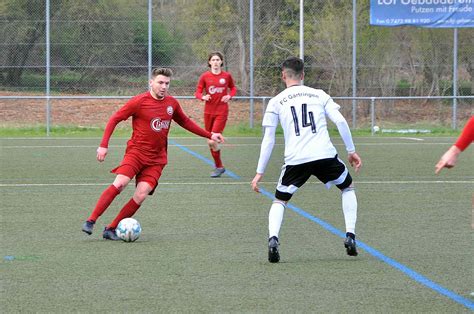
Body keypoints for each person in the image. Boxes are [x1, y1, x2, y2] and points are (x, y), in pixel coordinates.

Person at [82, 68, 225, 240]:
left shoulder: (172, 104)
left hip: (157, 159)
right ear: (151, 82)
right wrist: (103, 145)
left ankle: (111, 228)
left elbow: (185, 122)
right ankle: (91, 220)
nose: (164, 86)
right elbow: (115, 119)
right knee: (120, 183)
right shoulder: (139, 101)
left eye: (167, 83)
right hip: (136, 153)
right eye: (160, 82)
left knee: (141, 194)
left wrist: (210, 134)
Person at [251, 57, 362, 263]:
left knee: (280, 200)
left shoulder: (275, 101)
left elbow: (269, 139)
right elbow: (340, 121)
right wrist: (351, 150)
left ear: (283, 75)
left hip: (296, 159)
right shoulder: (319, 94)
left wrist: (260, 172)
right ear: (303, 75)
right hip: (324, 154)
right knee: (347, 187)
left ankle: (273, 239)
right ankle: (350, 235)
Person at [195, 51, 237, 177]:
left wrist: (229, 95)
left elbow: (233, 88)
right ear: (209, 62)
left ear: (221, 62)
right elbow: (197, 92)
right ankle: (218, 166)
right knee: (210, 141)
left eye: (218, 60)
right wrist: (203, 97)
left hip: (221, 112)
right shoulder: (204, 77)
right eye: (213, 60)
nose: (215, 62)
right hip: (208, 112)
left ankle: (219, 166)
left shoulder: (227, 76)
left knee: (212, 141)